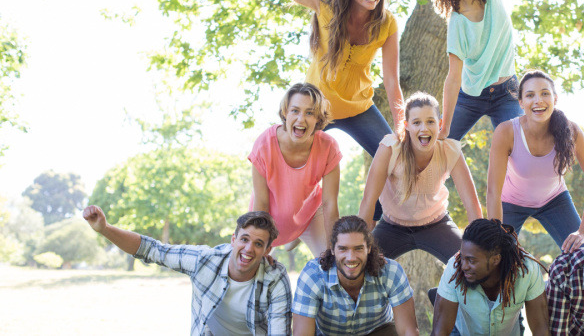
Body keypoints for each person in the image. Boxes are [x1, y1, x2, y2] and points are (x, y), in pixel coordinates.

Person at [262, 0, 403, 222]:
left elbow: (392, 79)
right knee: (285, 162)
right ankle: (282, 221)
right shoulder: (324, 5)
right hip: (315, 111)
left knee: (396, 162)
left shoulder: (387, 23)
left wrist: (400, 125)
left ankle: (369, 223)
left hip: (358, 108)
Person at [82, 205, 292, 336]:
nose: (248, 249)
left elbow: (279, 332)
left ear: (267, 250)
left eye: (258, 244)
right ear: (233, 240)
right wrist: (105, 229)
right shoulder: (205, 261)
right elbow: (152, 249)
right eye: (244, 239)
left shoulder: (275, 278)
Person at [357, 92, 482, 264]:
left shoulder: (449, 150)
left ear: (439, 124)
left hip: (437, 224)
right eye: (417, 123)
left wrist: (479, 247)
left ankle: (438, 293)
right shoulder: (390, 148)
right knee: (363, 266)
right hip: (392, 227)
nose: (424, 128)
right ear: (407, 126)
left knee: (471, 264)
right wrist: (358, 247)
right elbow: (368, 201)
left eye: (430, 121)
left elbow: (472, 205)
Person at [486, 70, 584, 253]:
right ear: (521, 103)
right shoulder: (506, 131)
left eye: (545, 93)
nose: (538, 100)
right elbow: (493, 190)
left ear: (555, 99)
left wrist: (583, 230)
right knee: (497, 255)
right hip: (511, 202)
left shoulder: (571, 131)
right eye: (530, 95)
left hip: (554, 200)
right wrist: (496, 233)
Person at [249, 82, 341, 257]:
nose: (301, 119)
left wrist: (333, 251)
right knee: (252, 262)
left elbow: (330, 204)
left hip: (311, 214)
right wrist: (261, 245)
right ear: (285, 113)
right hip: (270, 216)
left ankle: (297, 232)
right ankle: (291, 235)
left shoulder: (328, 147)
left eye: (310, 113)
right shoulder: (264, 144)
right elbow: (260, 204)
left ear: (318, 119)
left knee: (332, 262)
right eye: (295, 111)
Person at [431, 0, 522, 141]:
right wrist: (445, 127)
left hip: (507, 93)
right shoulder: (457, 22)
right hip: (470, 97)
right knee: (440, 146)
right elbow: (453, 77)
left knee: (518, 146)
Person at [292, 216, 419, 336]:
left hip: (378, 331)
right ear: (332, 249)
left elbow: (408, 331)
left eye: (358, 249)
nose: (351, 258)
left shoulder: (390, 272)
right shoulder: (313, 276)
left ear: (368, 248)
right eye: (343, 249)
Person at [431, 219, 550, 336]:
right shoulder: (454, 269)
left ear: (495, 259)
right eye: (462, 258)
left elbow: (541, 328)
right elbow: (439, 332)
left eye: (471, 260)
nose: (464, 266)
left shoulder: (527, 270)